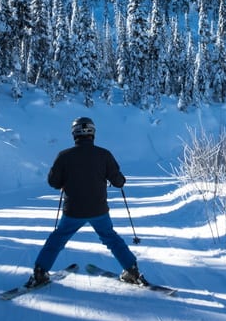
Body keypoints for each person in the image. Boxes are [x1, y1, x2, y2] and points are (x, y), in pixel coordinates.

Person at [25, 116, 144, 287]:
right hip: (99, 210)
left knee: (58, 239)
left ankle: (40, 272)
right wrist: (119, 179)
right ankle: (132, 270)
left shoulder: (64, 156)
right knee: (111, 238)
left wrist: (64, 182)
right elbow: (119, 182)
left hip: (73, 210)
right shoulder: (104, 154)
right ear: (93, 133)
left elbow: (53, 182)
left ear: (74, 134)